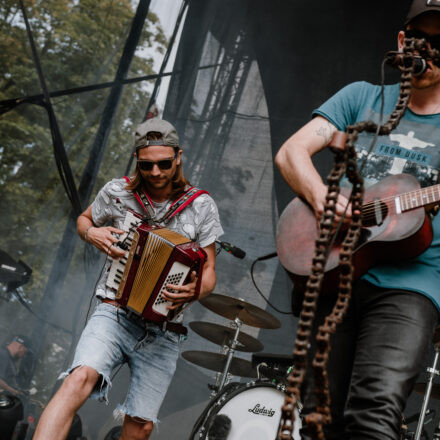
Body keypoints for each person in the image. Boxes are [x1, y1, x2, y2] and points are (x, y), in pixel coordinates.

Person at [275, 1, 440, 439]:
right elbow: (291, 153)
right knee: (314, 417)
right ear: (403, 42)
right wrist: (327, 202)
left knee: (375, 412)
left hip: (412, 284)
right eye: (422, 37)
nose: (430, 48)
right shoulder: (360, 95)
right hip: (337, 269)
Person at [33, 118, 223, 440]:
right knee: (77, 380)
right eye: (147, 165)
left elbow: (210, 272)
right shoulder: (117, 191)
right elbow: (84, 220)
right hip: (114, 312)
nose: (156, 173)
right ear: (138, 159)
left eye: (164, 163)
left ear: (178, 156)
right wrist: (91, 232)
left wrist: (195, 290)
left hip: (164, 332)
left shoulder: (202, 206)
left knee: (140, 426)